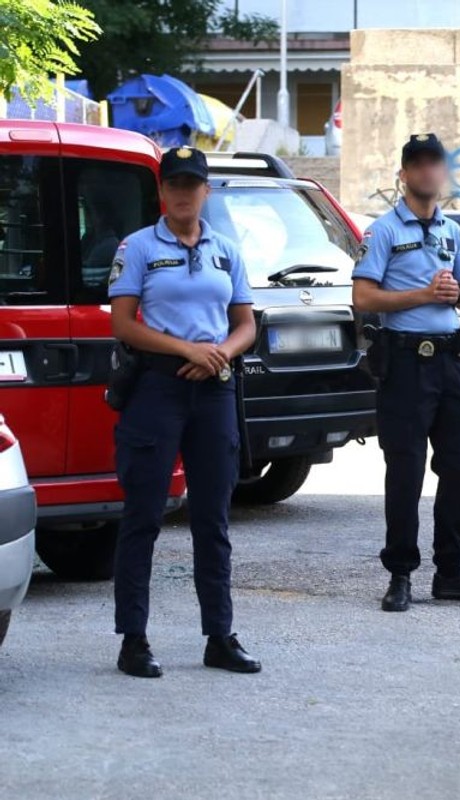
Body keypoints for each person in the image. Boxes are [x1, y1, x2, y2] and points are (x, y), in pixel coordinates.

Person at [107, 147, 261, 677]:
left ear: (205, 192)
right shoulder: (139, 247)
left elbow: (245, 323)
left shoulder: (225, 251)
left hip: (214, 389)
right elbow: (123, 324)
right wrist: (185, 349)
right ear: (161, 192)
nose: (181, 192)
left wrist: (220, 351)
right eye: (173, 183)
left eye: (191, 184)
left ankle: (219, 635)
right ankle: (133, 639)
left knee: (213, 520)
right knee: (144, 516)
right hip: (157, 389)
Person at [352, 133, 460, 612]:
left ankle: (452, 571)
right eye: (415, 165)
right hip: (404, 365)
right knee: (406, 471)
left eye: (433, 164)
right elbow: (363, 298)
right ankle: (400, 574)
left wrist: (456, 296)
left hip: (450, 363)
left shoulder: (451, 233)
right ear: (403, 175)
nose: (425, 172)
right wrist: (420, 296)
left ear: (442, 172)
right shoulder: (383, 232)